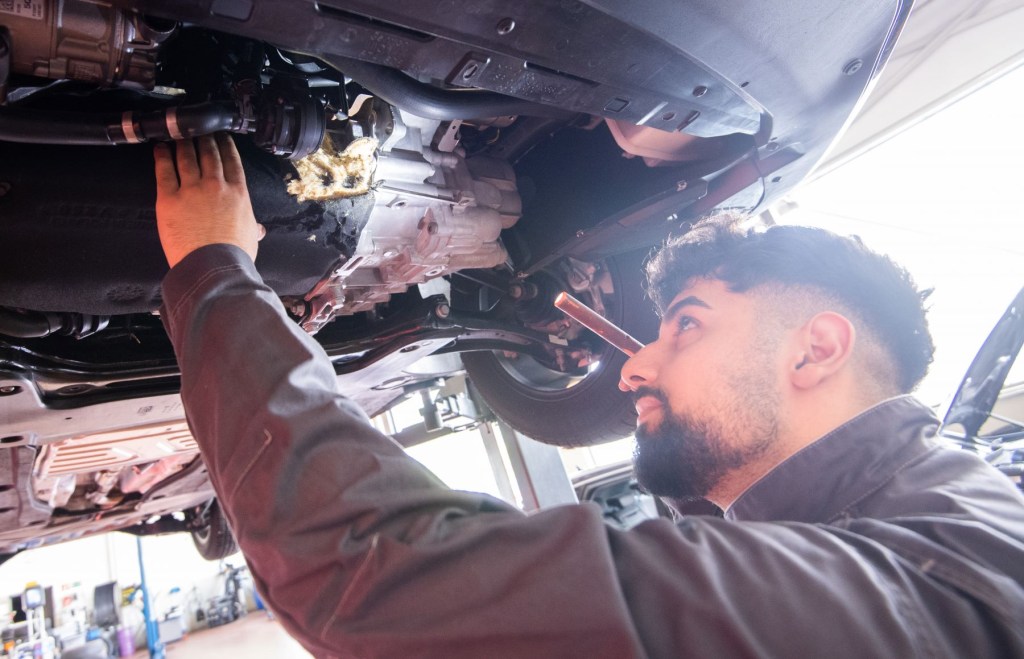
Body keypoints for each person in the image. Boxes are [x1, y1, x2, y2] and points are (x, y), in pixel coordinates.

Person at [154, 134, 1024, 657]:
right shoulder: (946, 530)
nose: (635, 369)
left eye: (684, 324)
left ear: (819, 348)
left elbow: (365, 559)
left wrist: (214, 269)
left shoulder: (915, 596)